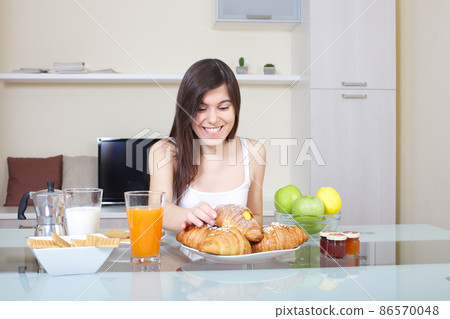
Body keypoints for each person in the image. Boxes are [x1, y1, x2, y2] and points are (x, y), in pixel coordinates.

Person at [149, 58, 266, 232]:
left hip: (234, 258)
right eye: (201, 109)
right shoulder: (165, 151)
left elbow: (256, 216)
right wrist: (190, 215)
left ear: (236, 109)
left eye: (223, 107)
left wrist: (232, 228)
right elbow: (157, 210)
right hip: (179, 259)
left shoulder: (254, 152)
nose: (212, 119)